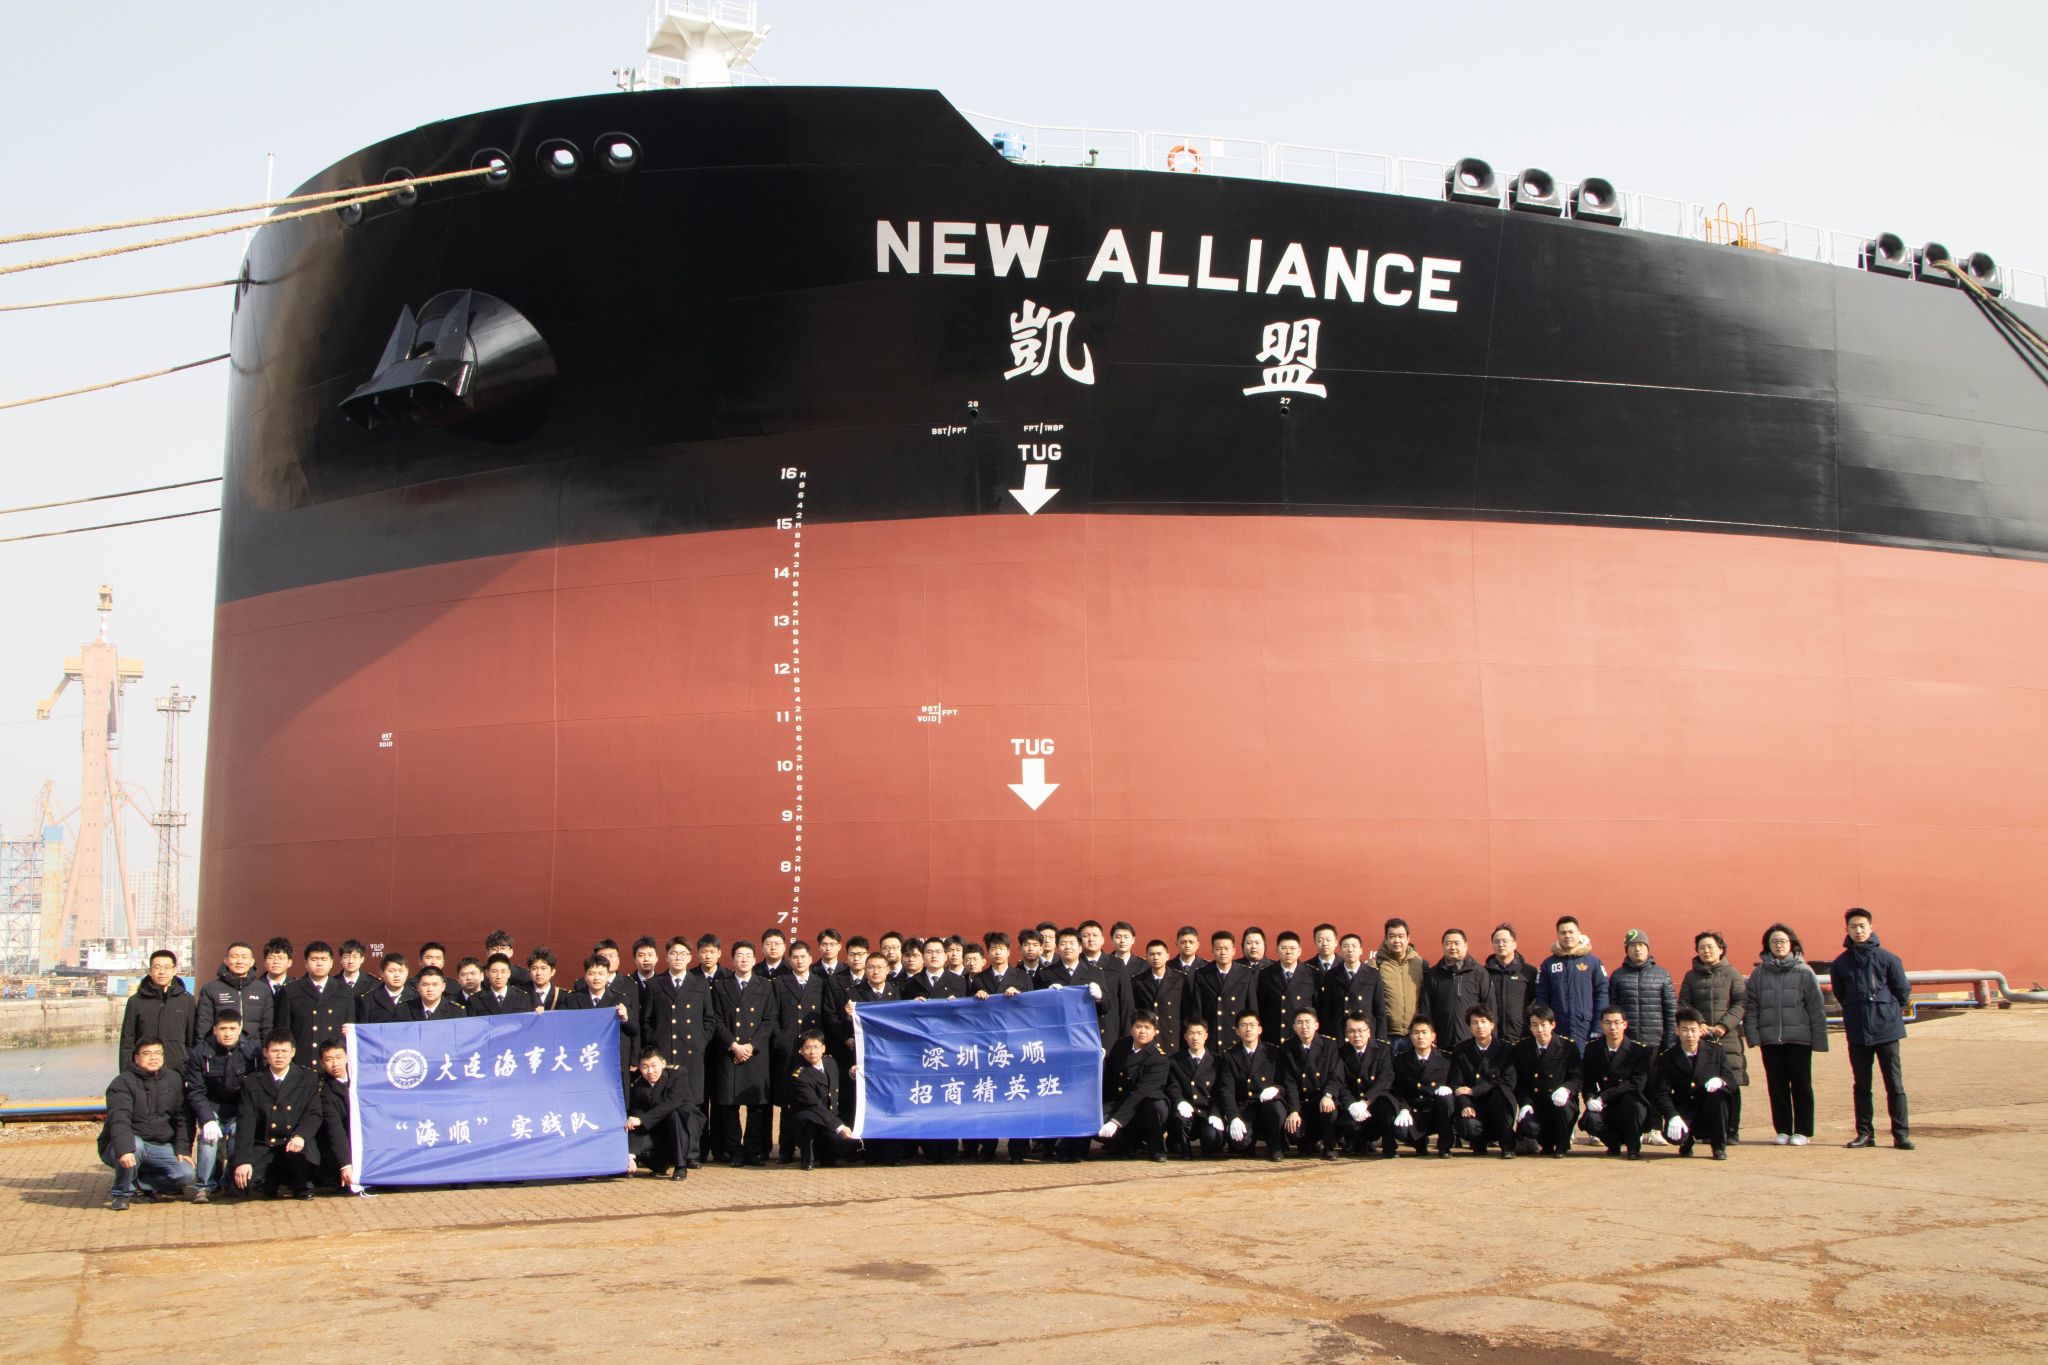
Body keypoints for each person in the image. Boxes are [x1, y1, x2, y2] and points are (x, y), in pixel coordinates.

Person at [1830, 907, 1913, 1150]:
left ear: (1871, 928)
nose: (1858, 930)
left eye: (1862, 926)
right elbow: (1841, 994)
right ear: (1846, 929)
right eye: (1853, 926)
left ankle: (1901, 1134)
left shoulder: (1888, 959)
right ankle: (1865, 1133)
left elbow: (1902, 991)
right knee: (1862, 1085)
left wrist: (1887, 1013)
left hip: (1886, 1031)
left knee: (1894, 1084)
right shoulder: (1840, 964)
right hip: (1858, 1032)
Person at [1744, 923, 1828, 1146]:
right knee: (1776, 1086)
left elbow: (1816, 1008)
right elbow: (1751, 1007)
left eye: (1782, 941)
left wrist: (1819, 1040)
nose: (1779, 945)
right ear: (1767, 946)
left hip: (1799, 1039)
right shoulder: (1759, 974)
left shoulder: (1804, 972)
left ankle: (1803, 1131)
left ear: (1792, 944)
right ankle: (1782, 1129)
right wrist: (1753, 1036)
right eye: (1774, 941)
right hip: (1770, 1040)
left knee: (1801, 1085)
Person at [100, 1037, 200, 1210]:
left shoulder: (174, 1079)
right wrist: (124, 1149)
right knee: (135, 1146)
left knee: (186, 1174)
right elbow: (119, 1119)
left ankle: (141, 1184)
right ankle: (121, 1193)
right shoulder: (122, 1083)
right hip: (124, 1144)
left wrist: (183, 1149)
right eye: (147, 1053)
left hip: (159, 1145)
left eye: (157, 1053)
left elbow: (183, 1118)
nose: (153, 1057)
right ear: (136, 1058)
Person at [708, 941, 779, 1166]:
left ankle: (752, 1151)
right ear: (732, 960)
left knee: (756, 1107)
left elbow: (769, 1020)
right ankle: (734, 1152)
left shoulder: (765, 986)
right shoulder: (721, 986)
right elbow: (716, 1020)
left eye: (748, 955)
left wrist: (751, 1045)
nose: (744, 959)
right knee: (729, 1106)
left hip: (755, 1054)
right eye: (739, 955)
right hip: (729, 1053)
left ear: (755, 959)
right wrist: (734, 1045)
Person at [233, 1030, 322, 1199]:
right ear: (265, 1052)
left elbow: (313, 1113)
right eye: (274, 1051)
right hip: (267, 1144)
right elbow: (246, 1122)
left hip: (294, 1143)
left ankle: (296, 1182)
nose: (279, 1056)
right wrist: (243, 1161)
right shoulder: (252, 1081)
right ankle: (271, 1181)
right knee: (245, 1186)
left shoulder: (308, 1078)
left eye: (284, 1051)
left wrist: (301, 1136)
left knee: (304, 1178)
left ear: (293, 1052)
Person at [1679, 931, 1748, 1143]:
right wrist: (1699, 1024)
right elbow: (1684, 1003)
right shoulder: (1691, 976)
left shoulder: (1733, 974)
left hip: (1727, 1038)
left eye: (1710, 947)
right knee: (1704, 1084)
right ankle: (1710, 1130)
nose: (1706, 951)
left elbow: (1740, 1003)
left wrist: (1722, 1026)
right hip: (1700, 1039)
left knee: (1731, 1083)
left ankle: (1732, 1130)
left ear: (1721, 949)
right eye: (1702, 947)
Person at [185, 1008, 260, 1195]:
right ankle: (204, 1186)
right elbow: (196, 1090)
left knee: (238, 1137)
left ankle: (232, 1182)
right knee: (208, 1138)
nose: (228, 1033)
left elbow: (257, 1086)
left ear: (240, 1028)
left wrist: (245, 1115)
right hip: (212, 1105)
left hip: (239, 1107)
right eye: (223, 1029)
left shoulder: (252, 1051)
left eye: (232, 1029)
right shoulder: (200, 1053)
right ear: (215, 1029)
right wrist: (207, 1119)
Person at [773, 941, 831, 1163]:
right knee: (789, 1102)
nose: (799, 961)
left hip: (813, 1050)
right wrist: (781, 1040)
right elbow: (774, 1015)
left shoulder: (820, 983)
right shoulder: (780, 983)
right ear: (789, 960)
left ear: (810, 958)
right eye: (795, 957)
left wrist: (820, 1045)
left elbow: (825, 1015)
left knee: (815, 1099)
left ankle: (815, 1148)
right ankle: (786, 1150)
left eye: (803, 957)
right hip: (789, 1051)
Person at [1649, 1008, 1733, 1159]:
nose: (1690, 1035)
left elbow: (1731, 1080)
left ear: (1701, 1030)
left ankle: (1718, 1147)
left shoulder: (1715, 1051)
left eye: (1693, 1030)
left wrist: (1721, 1081)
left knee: (1720, 1095)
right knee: (1675, 1136)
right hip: (1684, 1109)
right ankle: (1686, 1143)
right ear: (1677, 1031)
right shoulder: (1668, 1057)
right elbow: (1662, 1092)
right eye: (1685, 1030)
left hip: (1708, 1108)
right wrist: (1672, 1115)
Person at [1579, 1005, 1653, 1159]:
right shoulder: (1593, 1049)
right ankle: (1613, 1145)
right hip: (1607, 1106)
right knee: (1590, 1120)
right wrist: (1590, 1098)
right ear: (1601, 1025)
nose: (1613, 1027)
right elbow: (1588, 1080)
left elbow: (1636, 1083)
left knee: (1634, 1103)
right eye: (1608, 1023)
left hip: (1630, 1103)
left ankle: (1633, 1148)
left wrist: (1603, 1097)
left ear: (1624, 1024)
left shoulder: (1639, 1050)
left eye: (1617, 1022)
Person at [1220, 1010, 1294, 1162]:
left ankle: (1275, 1146)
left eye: (1252, 1025)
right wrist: (1233, 1117)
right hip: (1245, 1107)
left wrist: (1276, 1089)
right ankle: (1250, 1141)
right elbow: (1227, 1089)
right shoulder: (1229, 1056)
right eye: (1243, 1025)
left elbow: (1285, 1081)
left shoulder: (1273, 1052)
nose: (1248, 1029)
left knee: (1276, 1108)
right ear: (1237, 1031)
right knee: (1240, 1144)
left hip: (1267, 1105)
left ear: (1260, 1029)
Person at [1096, 1012, 1171, 1161]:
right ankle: (1126, 1143)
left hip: (1143, 1107)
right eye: (1138, 1026)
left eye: (1147, 1027)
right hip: (1119, 1103)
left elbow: (1140, 1094)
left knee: (1156, 1105)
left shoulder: (1159, 1058)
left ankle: (1157, 1149)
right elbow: (1109, 1077)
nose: (1142, 1031)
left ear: (1155, 1031)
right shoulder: (1121, 1045)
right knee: (1095, 1122)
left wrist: (1116, 1122)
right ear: (1131, 1029)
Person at [1450, 1004, 1519, 1158]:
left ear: (1492, 1025)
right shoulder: (1461, 1050)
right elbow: (1456, 1084)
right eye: (1474, 1023)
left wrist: (1474, 1090)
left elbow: (1508, 1081)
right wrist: (1465, 1104)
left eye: (1483, 1022)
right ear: (1469, 1027)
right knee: (1467, 1126)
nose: (1479, 1026)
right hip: (1475, 1105)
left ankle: (1507, 1146)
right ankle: (1478, 1143)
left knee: (1501, 1094)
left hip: (1498, 1104)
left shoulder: (1506, 1049)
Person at [1512, 1004, 1581, 1158]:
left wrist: (1566, 1089)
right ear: (1530, 1027)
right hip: (1536, 1103)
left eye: (1543, 1025)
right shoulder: (1522, 1048)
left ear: (1552, 1025)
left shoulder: (1567, 1047)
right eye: (1535, 1025)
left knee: (1564, 1109)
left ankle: (1562, 1146)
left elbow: (1577, 1078)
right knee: (1529, 1125)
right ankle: (1546, 1144)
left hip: (1560, 1102)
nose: (1540, 1030)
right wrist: (1524, 1103)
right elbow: (1519, 1082)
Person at [785, 1030, 860, 1170]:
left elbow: (837, 1080)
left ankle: (825, 1154)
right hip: (809, 1119)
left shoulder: (830, 1062)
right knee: (809, 1119)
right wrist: (839, 1127)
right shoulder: (799, 1075)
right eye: (807, 1048)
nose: (812, 1052)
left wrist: (851, 1073)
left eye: (816, 1047)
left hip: (829, 1116)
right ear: (801, 1051)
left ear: (823, 1048)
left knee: (844, 1145)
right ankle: (807, 1158)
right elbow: (815, 1105)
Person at [1280, 1007, 1349, 1160]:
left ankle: (1329, 1147)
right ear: (1294, 1027)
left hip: (1322, 1100)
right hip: (1302, 1103)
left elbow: (1335, 1076)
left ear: (1316, 1025)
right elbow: (1289, 1082)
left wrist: (1328, 1095)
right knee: (1294, 1132)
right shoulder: (1287, 1048)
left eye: (1308, 1022)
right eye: (1299, 1023)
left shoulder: (1329, 1045)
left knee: (1329, 1109)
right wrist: (1293, 1110)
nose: (1304, 1027)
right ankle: (1308, 1142)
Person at [1536, 915, 1609, 1047]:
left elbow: (1602, 994)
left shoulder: (1593, 962)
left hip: (1585, 1027)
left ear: (1579, 933)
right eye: (1563, 933)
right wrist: (1545, 1026)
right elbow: (1542, 997)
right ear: (1558, 935)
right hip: (1557, 1028)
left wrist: (1598, 1027)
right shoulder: (1548, 964)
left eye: (1571, 932)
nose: (1567, 936)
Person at [1331, 1014, 1398, 1157]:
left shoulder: (1383, 1049)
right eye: (1351, 1031)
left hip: (1375, 1101)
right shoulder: (1341, 1052)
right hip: (1353, 1102)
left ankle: (1389, 1147)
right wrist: (1351, 1104)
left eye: (1360, 1031)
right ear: (1346, 1034)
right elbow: (1340, 1082)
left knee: (1387, 1107)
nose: (1356, 1035)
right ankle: (1356, 1142)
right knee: (1350, 1126)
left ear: (1369, 1032)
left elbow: (1385, 1080)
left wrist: (1366, 1100)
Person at [120, 949, 196, 1074]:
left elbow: (192, 1040)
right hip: (144, 1072)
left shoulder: (187, 1000)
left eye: (167, 967)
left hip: (178, 1070)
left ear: (174, 970)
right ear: (150, 971)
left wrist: (191, 1072)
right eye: (157, 967)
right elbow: (127, 1042)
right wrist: (126, 1075)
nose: (162, 972)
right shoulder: (136, 1001)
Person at [1389, 1016, 1456, 1157]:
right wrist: (1403, 1109)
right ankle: (1419, 1143)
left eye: (1424, 1032)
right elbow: (1396, 1090)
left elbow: (1456, 1082)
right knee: (1400, 1130)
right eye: (1416, 1032)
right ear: (1410, 1036)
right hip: (1413, 1112)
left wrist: (1450, 1088)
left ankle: (1444, 1146)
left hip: (1435, 1112)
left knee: (1447, 1099)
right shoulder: (1401, 1061)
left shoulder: (1446, 1060)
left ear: (1433, 1036)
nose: (1420, 1037)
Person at [626, 1047, 697, 1179]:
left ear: (663, 1064)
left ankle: (681, 1166)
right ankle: (660, 1165)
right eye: (645, 1067)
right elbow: (636, 1116)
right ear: (639, 1068)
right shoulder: (637, 1085)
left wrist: (642, 1120)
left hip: (681, 1127)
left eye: (654, 1066)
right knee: (637, 1133)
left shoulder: (678, 1074)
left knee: (674, 1113)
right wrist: (630, 1155)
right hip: (657, 1130)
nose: (650, 1071)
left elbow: (671, 1103)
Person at [567, 953, 639, 1081]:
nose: (596, 978)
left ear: (607, 976)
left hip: (612, 1061)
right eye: (592, 973)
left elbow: (634, 1030)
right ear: (585, 976)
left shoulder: (620, 999)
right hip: (583, 1059)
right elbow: (563, 1026)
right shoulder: (572, 999)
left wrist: (625, 1017)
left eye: (601, 973)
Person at [1166, 1018, 1228, 1158]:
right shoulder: (1175, 1061)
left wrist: (1216, 1113)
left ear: (1206, 1036)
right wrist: (1180, 1101)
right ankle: (1185, 1150)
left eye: (1199, 1033)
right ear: (1185, 1037)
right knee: (1178, 1121)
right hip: (1186, 1113)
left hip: (1207, 1113)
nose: (1195, 1037)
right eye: (1191, 1033)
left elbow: (1221, 1091)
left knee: (1212, 1139)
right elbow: (1172, 1086)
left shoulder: (1217, 1061)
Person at [1039, 929, 1112, 1046]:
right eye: (1063, 944)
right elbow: (1037, 1007)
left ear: (1080, 948)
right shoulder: (1045, 973)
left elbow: (1106, 1007)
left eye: (1072, 943)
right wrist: (1047, 995)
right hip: (1057, 1034)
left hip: (1086, 1033)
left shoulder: (1095, 972)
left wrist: (1100, 997)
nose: (1067, 947)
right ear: (1057, 949)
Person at [1611, 929, 1677, 1055]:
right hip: (1626, 1044)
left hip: (1655, 1043)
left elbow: (1671, 1011)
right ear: (1626, 950)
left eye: (1641, 945)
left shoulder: (1662, 975)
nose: (1637, 949)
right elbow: (1612, 1010)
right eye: (1633, 945)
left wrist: (1670, 1042)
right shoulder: (1617, 976)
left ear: (1647, 948)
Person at [283, 940, 352, 1058]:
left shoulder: (344, 990)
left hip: (334, 1058)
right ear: (306, 963)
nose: (319, 964)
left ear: (331, 963)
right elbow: (284, 1031)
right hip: (303, 1056)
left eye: (324, 959)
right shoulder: (291, 990)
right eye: (314, 959)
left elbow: (350, 1027)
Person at [1420, 929, 1488, 1046]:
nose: (1452, 947)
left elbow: (1489, 1007)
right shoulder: (1433, 975)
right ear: (1443, 946)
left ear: (1465, 945)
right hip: (1442, 1041)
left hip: (1471, 1042)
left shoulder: (1479, 973)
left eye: (1457, 943)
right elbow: (1426, 1009)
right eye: (1448, 943)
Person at [196, 941, 273, 1041]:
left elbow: (267, 1027)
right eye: (234, 956)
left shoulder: (262, 989)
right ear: (226, 961)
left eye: (244, 957)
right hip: (219, 1048)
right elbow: (203, 1026)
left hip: (253, 1049)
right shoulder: (210, 989)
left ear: (251, 962)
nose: (239, 961)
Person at [1373, 919, 1428, 1051]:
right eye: (1392, 936)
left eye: (1401, 936)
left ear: (1408, 938)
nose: (1397, 940)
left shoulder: (1420, 964)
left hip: (1414, 1035)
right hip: (1387, 1035)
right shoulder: (1376, 964)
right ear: (1385, 939)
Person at [1318, 932, 1385, 1041]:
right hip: (1340, 1034)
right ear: (1341, 950)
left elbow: (1380, 1011)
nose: (1350, 950)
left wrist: (1381, 1039)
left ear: (1361, 950)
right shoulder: (1331, 975)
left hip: (1364, 1034)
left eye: (1354, 946)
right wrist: (1326, 1037)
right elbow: (1327, 1010)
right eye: (1346, 946)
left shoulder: (1373, 975)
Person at [1483, 924, 1539, 1046]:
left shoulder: (1528, 972)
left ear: (1514, 944)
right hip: (1492, 1038)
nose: (1501, 944)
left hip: (1521, 1037)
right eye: (1496, 941)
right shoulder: (1484, 973)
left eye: (1505, 941)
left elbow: (1536, 1001)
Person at [1259, 932, 1321, 1041]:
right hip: (1274, 1035)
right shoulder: (1266, 973)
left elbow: (1317, 1006)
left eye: (1292, 948)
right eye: (1284, 948)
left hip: (1301, 1036)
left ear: (1299, 951)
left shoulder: (1311, 974)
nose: (1288, 952)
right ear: (1277, 950)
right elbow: (1262, 1007)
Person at [1196, 930, 1255, 1045]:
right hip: (1213, 1035)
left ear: (1233, 951)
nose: (1223, 952)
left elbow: (1251, 1007)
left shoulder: (1245, 973)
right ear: (1212, 951)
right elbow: (1198, 1010)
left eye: (1226, 949)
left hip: (1237, 1035)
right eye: (1218, 949)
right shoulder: (1202, 974)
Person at [1130, 940, 1188, 1053]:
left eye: (1159, 954)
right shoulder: (1138, 980)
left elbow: (1186, 1010)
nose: (1155, 958)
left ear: (1167, 956)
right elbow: (1135, 1011)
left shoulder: (1180, 979)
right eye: (1152, 954)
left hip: (1172, 1035)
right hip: (1149, 1035)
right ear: (1146, 957)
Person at [315, 1040, 354, 1191]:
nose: (335, 1064)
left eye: (339, 1057)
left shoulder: (360, 1078)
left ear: (347, 1057)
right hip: (340, 1145)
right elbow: (334, 1129)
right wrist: (345, 1164)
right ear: (322, 1063)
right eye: (329, 1059)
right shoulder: (323, 1090)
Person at [356, 952, 413, 1024]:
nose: (397, 975)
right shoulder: (368, 1000)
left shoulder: (417, 997)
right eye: (391, 971)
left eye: (401, 971)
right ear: (381, 973)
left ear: (407, 972)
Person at [467, 953, 532, 1015]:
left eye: (503, 972)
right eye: (494, 972)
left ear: (509, 973)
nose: (499, 976)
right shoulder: (475, 1000)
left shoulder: (522, 997)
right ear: (487, 973)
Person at [398, 966, 464, 1021]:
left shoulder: (456, 1012)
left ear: (443, 987)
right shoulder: (403, 1009)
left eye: (435, 985)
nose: (430, 989)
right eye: (425, 985)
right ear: (418, 987)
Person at [259, 937, 295, 1004]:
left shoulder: (296, 986)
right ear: (265, 962)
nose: (276, 962)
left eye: (281, 958)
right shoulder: (256, 986)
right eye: (271, 958)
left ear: (289, 963)